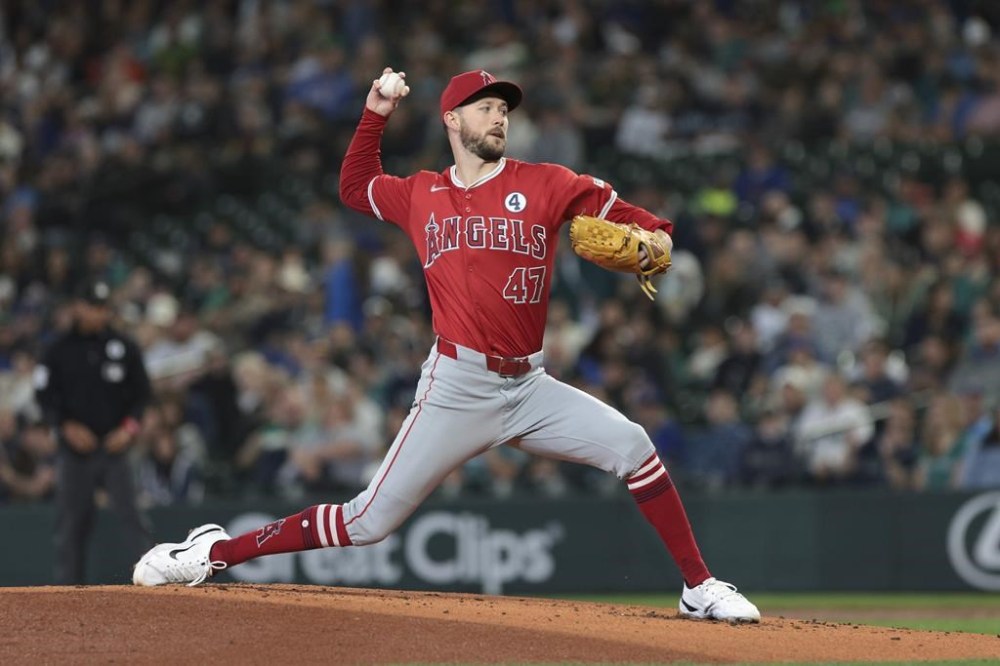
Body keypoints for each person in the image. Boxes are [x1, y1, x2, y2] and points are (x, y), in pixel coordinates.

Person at [133, 68, 759, 622]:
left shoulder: (548, 182)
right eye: (486, 107)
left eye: (505, 109)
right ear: (452, 119)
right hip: (457, 387)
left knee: (633, 445)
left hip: (529, 385)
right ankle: (211, 552)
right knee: (367, 522)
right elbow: (355, 186)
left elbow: (650, 226)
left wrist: (658, 243)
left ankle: (698, 587)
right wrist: (376, 111)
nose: (499, 117)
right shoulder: (420, 194)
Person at [35, 279, 153, 583]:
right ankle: (69, 593)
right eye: (92, 306)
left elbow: (142, 395)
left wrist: (128, 429)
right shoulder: (56, 349)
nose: (98, 314)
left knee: (133, 520)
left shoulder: (123, 346)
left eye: (102, 307)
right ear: (77, 307)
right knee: (71, 525)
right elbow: (44, 395)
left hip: (116, 448)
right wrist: (64, 425)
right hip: (75, 452)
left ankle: (153, 587)